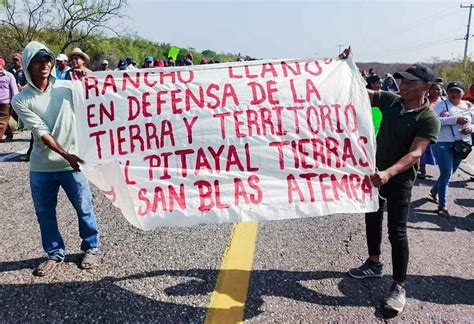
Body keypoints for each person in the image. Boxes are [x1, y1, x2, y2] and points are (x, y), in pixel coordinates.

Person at [341, 48, 441, 315]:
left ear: (427, 87)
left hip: (399, 181)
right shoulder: (391, 101)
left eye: (411, 82)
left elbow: (416, 153)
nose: (404, 86)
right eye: (402, 81)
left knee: (397, 232)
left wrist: (389, 173)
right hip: (376, 176)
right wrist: (347, 67)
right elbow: (362, 93)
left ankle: (399, 285)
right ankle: (374, 263)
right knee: (371, 218)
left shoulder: (428, 118)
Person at [11, 41, 99, 276]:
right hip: (43, 166)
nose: (45, 65)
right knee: (45, 213)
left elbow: (100, 93)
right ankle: (54, 253)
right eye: (38, 61)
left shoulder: (67, 86)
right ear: (28, 66)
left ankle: (91, 248)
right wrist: (65, 154)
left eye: (47, 60)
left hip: (74, 163)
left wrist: (86, 75)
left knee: (84, 208)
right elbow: (41, 132)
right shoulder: (20, 100)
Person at [430, 81, 473, 217]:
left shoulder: (469, 106)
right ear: (447, 93)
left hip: (462, 145)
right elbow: (434, 121)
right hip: (443, 143)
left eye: (457, 91)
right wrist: (455, 120)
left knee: (449, 173)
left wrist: (471, 128)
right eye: (451, 91)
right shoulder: (441, 105)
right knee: (447, 174)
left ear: (462, 92)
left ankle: (434, 190)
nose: (454, 94)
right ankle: (442, 206)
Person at [418, 82, 444, 179]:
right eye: (434, 89)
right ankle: (423, 172)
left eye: (439, 89)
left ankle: (444, 174)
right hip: (425, 130)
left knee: (440, 154)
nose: (437, 91)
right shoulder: (425, 101)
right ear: (429, 90)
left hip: (441, 132)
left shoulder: (444, 102)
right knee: (422, 152)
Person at [0, 56, 19, 142]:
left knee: (2, 122)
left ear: (2, 66)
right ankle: (9, 134)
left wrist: (14, 103)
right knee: (4, 121)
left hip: (6, 103)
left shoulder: (9, 76)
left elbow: (14, 90)